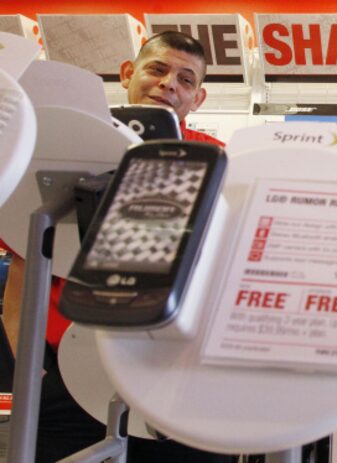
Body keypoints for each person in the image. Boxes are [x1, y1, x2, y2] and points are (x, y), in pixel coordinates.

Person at [1, 31, 231, 462]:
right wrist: (32, 370)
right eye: (158, 69)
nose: (169, 85)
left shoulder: (217, 159)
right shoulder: (70, 145)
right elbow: (22, 274)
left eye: (185, 79)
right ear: (129, 72)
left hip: (174, 373)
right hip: (63, 374)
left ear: (197, 98)